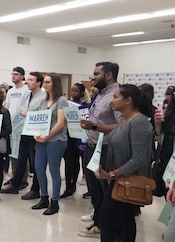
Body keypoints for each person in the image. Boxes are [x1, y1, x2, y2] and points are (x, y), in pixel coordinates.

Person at [94, 84, 154, 242]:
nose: (111, 101)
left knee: (107, 217)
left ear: (128, 100)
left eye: (115, 97)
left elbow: (140, 158)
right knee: (123, 217)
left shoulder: (139, 123)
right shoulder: (124, 121)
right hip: (118, 179)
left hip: (128, 180)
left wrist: (113, 173)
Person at [78, 62, 122, 238]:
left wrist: (94, 126)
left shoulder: (116, 95)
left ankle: (111, 228)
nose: (93, 77)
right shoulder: (100, 95)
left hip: (105, 150)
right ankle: (99, 223)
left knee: (105, 192)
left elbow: (121, 126)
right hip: (91, 147)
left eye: (96, 74)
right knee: (94, 191)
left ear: (109, 75)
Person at [1, 72, 46, 200]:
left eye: (32, 80)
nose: (28, 82)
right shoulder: (27, 95)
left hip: (35, 133)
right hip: (24, 131)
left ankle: (35, 189)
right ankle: (15, 184)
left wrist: (29, 114)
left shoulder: (43, 96)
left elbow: (43, 115)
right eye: (29, 79)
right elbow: (22, 110)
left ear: (38, 83)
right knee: (21, 160)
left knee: (35, 163)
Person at [31, 73, 68, 215]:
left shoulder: (61, 100)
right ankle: (44, 197)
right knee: (39, 168)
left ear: (55, 84)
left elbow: (60, 123)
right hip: (42, 140)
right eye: (44, 82)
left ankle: (55, 201)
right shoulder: (42, 100)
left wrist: (46, 136)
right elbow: (38, 119)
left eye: (47, 82)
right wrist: (36, 133)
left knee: (54, 170)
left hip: (56, 140)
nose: (44, 85)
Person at [60, 83, 91, 199]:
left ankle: (75, 184)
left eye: (76, 91)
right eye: (72, 91)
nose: (73, 93)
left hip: (80, 138)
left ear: (82, 92)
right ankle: (69, 187)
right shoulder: (67, 104)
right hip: (68, 136)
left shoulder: (86, 106)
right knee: (68, 162)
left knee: (79, 163)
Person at [4, 66, 29, 190]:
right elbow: (7, 107)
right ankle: (15, 177)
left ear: (22, 76)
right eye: (12, 74)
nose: (13, 76)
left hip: (22, 125)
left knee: (21, 154)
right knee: (12, 153)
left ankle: (23, 179)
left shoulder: (26, 90)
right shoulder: (10, 91)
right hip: (11, 126)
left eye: (16, 74)